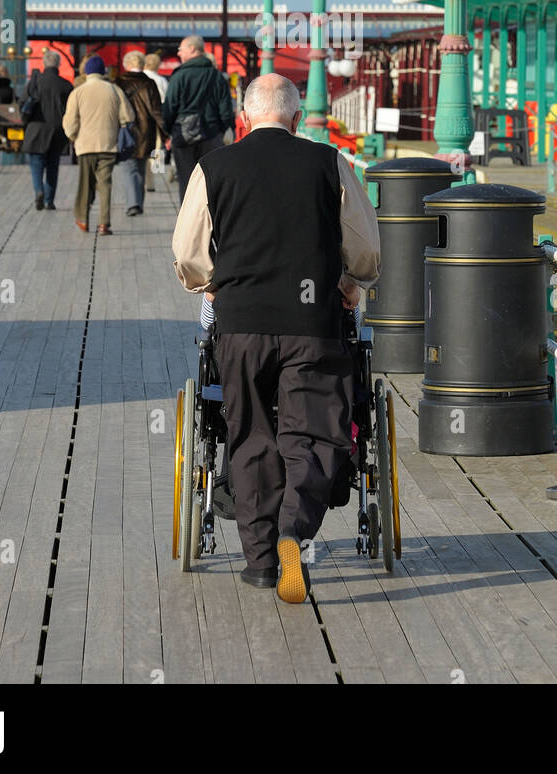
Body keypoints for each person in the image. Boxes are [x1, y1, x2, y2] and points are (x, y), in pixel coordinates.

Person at [172, 73, 380, 602]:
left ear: (243, 119)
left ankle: (262, 562)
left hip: (240, 325)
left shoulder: (214, 166)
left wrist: (210, 283)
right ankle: (293, 529)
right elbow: (362, 240)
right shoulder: (326, 161)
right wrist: (354, 281)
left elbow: (189, 248)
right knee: (312, 434)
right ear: (295, 118)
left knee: (249, 436)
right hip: (313, 323)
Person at [62, 55, 135, 234]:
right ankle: (104, 223)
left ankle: (83, 219)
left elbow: (70, 123)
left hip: (85, 146)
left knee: (85, 184)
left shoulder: (78, 92)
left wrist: (73, 136)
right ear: (103, 71)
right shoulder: (114, 90)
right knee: (105, 184)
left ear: (86, 72)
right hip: (108, 145)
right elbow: (128, 116)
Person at [161, 35, 234, 200]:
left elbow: (169, 108)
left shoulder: (179, 76)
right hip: (212, 135)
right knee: (212, 179)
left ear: (192, 49)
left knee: (187, 180)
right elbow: (226, 109)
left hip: (183, 135)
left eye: (181, 49)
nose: (179, 53)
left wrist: (167, 132)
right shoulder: (217, 77)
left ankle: (189, 220)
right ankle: (211, 218)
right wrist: (222, 130)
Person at [21, 50, 73, 210]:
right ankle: (49, 201)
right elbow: (71, 111)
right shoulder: (66, 85)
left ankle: (39, 191)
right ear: (59, 64)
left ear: (43, 64)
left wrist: (25, 123)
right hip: (57, 131)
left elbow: (22, 104)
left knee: (36, 163)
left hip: (36, 129)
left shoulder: (34, 84)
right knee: (53, 166)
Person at [116, 50, 165, 216]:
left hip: (125, 130)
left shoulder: (118, 83)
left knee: (128, 168)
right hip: (146, 131)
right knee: (141, 167)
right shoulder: (149, 84)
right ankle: (138, 202)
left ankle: (133, 204)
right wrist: (165, 132)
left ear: (126, 64)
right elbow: (157, 111)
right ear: (142, 64)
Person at [143, 53, 170, 192]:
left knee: (143, 149)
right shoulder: (161, 80)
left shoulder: (141, 78)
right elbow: (166, 101)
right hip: (157, 118)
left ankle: (143, 179)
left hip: (142, 119)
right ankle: (155, 177)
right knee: (157, 148)